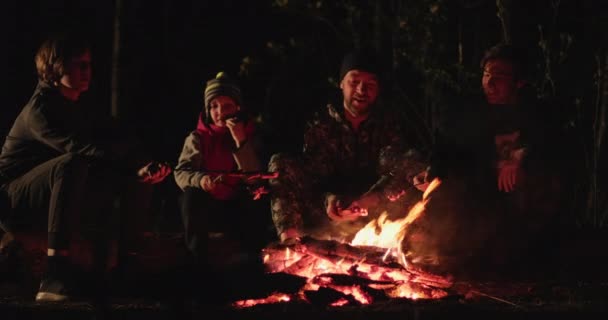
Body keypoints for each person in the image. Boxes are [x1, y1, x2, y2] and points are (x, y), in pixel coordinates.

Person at [0, 33, 171, 302]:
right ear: (55, 67)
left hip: (60, 196)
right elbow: (79, 148)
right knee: (72, 163)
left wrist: (142, 166)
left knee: (138, 177)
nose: (86, 71)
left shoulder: (79, 108)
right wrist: (127, 163)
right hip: (15, 202)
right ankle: (54, 275)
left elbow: (117, 141)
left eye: (88, 64)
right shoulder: (40, 109)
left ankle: (125, 268)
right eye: (78, 64)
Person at [420, 43, 566, 276]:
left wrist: (520, 158)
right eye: (487, 75)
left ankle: (534, 256)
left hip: (519, 193)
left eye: (499, 76)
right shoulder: (469, 110)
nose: (490, 82)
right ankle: (460, 255)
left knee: (542, 182)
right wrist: (433, 172)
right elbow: (447, 146)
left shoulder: (535, 110)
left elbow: (552, 143)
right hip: (481, 189)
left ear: (519, 82)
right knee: (445, 193)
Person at [269, 49, 426, 243]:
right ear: (341, 84)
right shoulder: (318, 123)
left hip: (373, 211)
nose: (362, 90)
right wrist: (329, 200)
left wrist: (371, 199)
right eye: (354, 82)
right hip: (326, 212)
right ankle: (290, 244)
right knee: (281, 164)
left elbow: (399, 161)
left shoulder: (388, 124)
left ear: (378, 90)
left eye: (370, 84)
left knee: (414, 170)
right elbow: (311, 177)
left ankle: (415, 246)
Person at [174, 72, 274, 269]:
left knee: (257, 202)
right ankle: (197, 264)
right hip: (209, 205)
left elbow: (256, 178)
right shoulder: (198, 138)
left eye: (227, 106)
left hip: (237, 205)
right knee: (191, 196)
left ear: (238, 107)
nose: (220, 112)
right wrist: (202, 180)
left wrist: (240, 140)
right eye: (214, 106)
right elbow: (181, 172)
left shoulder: (251, 134)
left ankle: (255, 265)